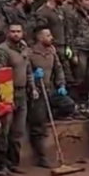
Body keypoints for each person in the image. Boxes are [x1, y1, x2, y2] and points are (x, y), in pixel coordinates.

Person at [0, 22, 38, 174]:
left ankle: (13, 162)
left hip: (22, 92)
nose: (16, 34)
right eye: (13, 31)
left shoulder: (24, 49)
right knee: (4, 130)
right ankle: (1, 164)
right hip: (7, 93)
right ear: (8, 33)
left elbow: (28, 70)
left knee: (18, 131)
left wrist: (32, 87)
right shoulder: (2, 50)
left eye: (18, 31)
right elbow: (1, 74)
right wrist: (6, 97)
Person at [28, 26, 68, 167]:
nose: (52, 38)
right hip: (37, 91)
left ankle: (50, 114)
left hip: (50, 89)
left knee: (68, 105)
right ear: (40, 38)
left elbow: (58, 69)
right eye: (48, 35)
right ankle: (41, 157)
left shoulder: (52, 52)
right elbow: (25, 71)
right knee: (38, 124)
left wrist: (61, 84)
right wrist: (33, 78)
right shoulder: (30, 53)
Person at [36, 0, 73, 94]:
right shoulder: (42, 12)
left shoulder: (60, 10)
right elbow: (41, 33)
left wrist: (68, 46)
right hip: (52, 49)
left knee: (67, 77)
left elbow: (66, 28)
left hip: (63, 48)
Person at [66, 0, 89, 113]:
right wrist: (73, 53)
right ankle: (75, 104)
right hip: (80, 49)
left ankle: (86, 103)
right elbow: (70, 34)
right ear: (79, 1)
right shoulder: (72, 15)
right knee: (79, 77)